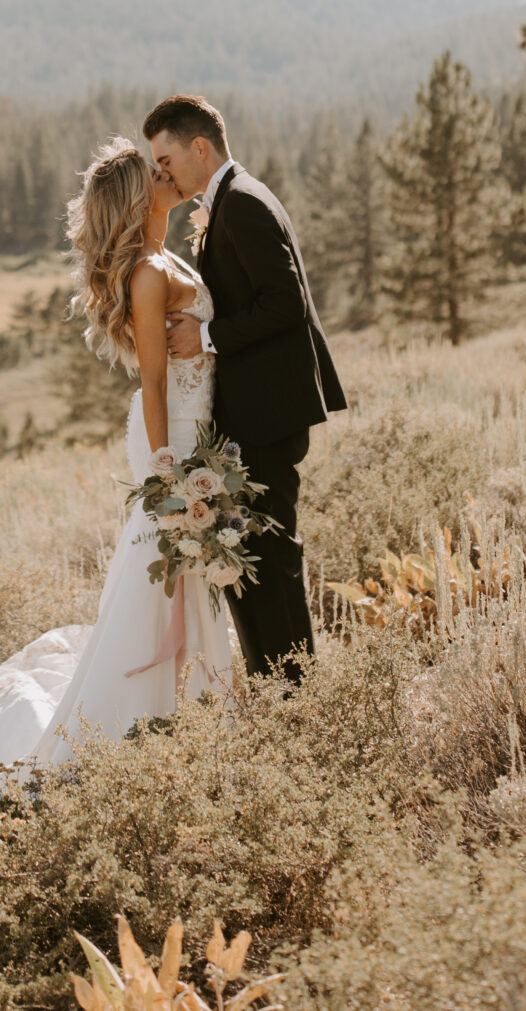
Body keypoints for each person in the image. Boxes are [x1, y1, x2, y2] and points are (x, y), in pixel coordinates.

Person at [0, 136, 238, 790]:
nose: (167, 174)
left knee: (181, 584)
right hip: (170, 436)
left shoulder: (165, 257)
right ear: (137, 197)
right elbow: (152, 382)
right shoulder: (149, 274)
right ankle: (124, 733)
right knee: (158, 582)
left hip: (193, 428)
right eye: (155, 172)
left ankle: (190, 716)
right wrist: (171, 471)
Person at [143, 92, 345, 680]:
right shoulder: (228, 201)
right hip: (251, 414)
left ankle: (297, 692)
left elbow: (285, 305)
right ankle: (274, 682)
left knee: (272, 554)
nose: (165, 174)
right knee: (247, 554)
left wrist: (207, 337)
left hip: (268, 415)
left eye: (168, 160)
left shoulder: (244, 205)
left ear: (199, 147)